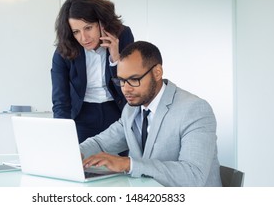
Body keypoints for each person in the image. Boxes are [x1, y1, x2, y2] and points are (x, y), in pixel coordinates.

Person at [80, 41, 222, 186]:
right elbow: (101, 143)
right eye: (121, 81)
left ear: (157, 72)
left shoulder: (194, 109)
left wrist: (129, 164)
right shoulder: (131, 109)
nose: (126, 89)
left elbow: (193, 176)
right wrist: (76, 153)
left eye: (134, 79)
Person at [51, 0, 134, 143]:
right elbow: (60, 100)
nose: (83, 38)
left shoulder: (123, 36)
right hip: (82, 115)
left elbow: (131, 87)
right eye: (76, 31)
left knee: (118, 163)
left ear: (102, 23)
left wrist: (116, 58)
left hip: (117, 112)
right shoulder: (65, 49)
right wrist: (60, 137)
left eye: (88, 28)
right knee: (83, 164)